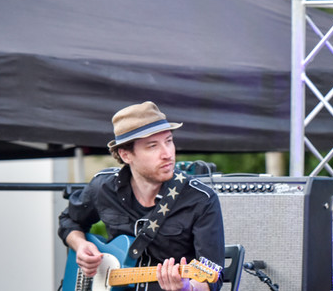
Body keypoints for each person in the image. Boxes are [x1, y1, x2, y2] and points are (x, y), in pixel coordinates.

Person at [58, 101, 225, 291]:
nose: (167, 154)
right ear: (126, 155)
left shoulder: (201, 199)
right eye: (152, 146)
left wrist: (187, 288)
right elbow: (69, 220)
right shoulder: (103, 187)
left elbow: (212, 278)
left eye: (169, 141)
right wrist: (80, 246)